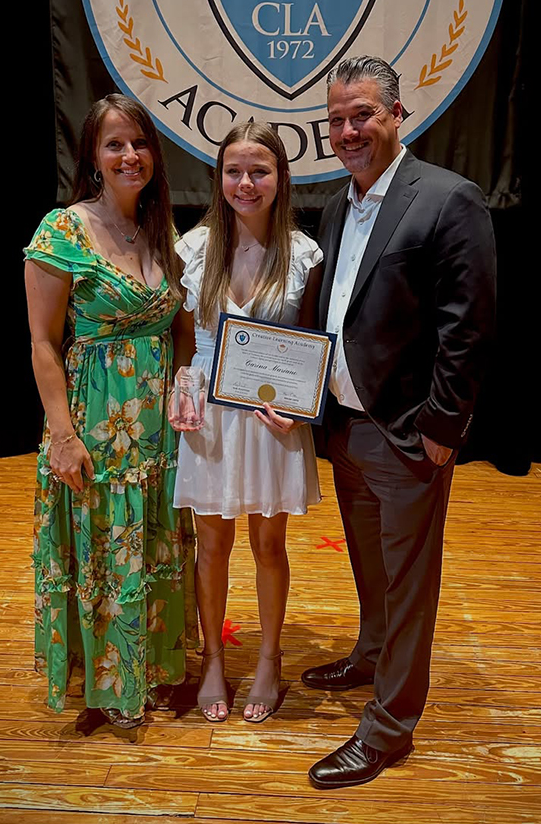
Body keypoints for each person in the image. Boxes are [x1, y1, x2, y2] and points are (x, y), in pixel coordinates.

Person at [301, 57, 496, 788]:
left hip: (409, 431)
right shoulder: (332, 203)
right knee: (370, 564)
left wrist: (444, 425)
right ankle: (370, 655)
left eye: (363, 116)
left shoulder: (450, 200)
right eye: (338, 119)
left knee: (410, 579)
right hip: (347, 424)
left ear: (395, 115)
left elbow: (468, 328)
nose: (348, 131)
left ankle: (388, 728)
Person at [24, 94, 197, 729]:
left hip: (158, 428)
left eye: (140, 144)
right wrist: (63, 436)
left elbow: (182, 325)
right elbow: (43, 342)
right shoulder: (62, 229)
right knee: (103, 543)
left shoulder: (161, 229)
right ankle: (109, 678)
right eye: (115, 144)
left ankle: (150, 667)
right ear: (94, 157)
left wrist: (184, 382)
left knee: (151, 540)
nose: (130, 156)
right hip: (95, 422)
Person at [170, 122, 322, 724]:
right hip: (208, 415)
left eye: (259, 170)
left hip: (272, 420)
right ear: (219, 177)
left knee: (268, 542)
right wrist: (181, 387)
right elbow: (183, 343)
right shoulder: (195, 249)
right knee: (211, 545)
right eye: (234, 170)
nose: (246, 182)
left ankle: (269, 661)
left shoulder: (305, 254)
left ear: (281, 177)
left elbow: (311, 345)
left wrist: (300, 405)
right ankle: (213, 662)